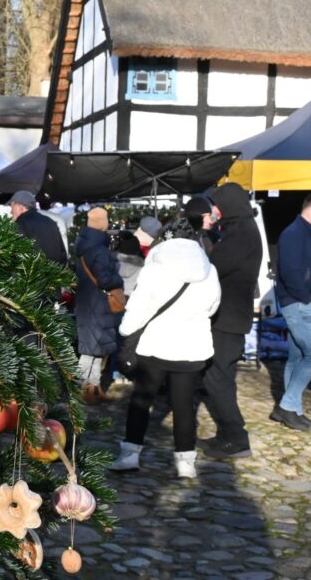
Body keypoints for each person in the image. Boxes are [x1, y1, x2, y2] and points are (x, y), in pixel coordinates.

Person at [108, 235, 221, 479]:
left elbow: (138, 307)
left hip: (155, 346)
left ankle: (130, 455)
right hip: (191, 347)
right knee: (184, 406)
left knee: (141, 401)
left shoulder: (154, 270)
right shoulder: (209, 271)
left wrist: (126, 331)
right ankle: (185, 462)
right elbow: (213, 306)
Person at [201, 183, 263, 459]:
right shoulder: (240, 229)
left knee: (217, 377)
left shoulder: (242, 234)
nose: (215, 210)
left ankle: (236, 436)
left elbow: (214, 267)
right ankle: (228, 434)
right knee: (220, 376)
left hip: (229, 318)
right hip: (229, 316)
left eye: (217, 205)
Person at [271, 195, 311, 431]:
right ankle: (287, 407)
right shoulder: (294, 233)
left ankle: (293, 411)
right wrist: (307, 300)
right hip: (301, 305)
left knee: (297, 358)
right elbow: (290, 271)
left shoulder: (306, 234)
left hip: (304, 304)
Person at [74, 207, 123, 404]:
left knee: (93, 348)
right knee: (89, 351)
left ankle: (93, 389)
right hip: (98, 302)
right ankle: (80, 388)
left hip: (88, 301)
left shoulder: (83, 245)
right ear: (102, 222)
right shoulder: (100, 250)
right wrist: (117, 278)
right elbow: (104, 280)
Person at [8, 190, 67, 264]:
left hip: (32, 274)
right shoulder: (51, 222)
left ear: (20, 207)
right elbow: (63, 255)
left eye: (12, 207)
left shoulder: (20, 223)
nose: (11, 211)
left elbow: (17, 255)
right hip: (53, 273)